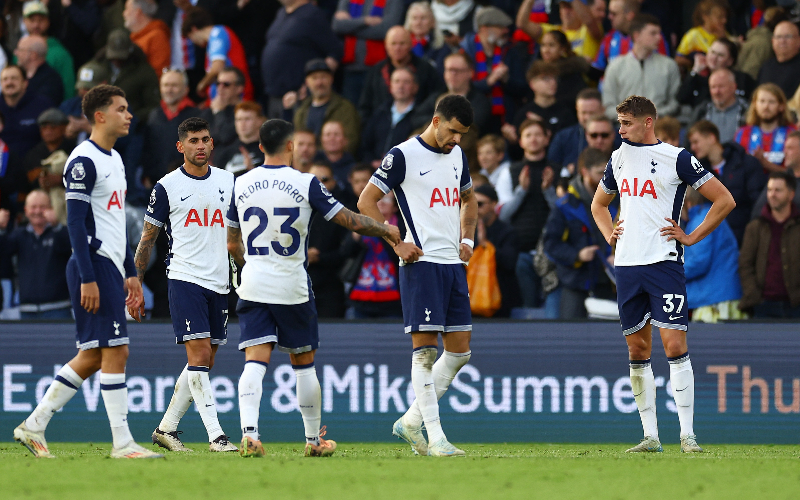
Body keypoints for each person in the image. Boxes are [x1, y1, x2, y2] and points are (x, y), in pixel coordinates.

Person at [226, 118, 400, 458]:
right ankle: (313, 441)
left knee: (254, 360)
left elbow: (232, 244)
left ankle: (249, 434)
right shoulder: (307, 183)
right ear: (291, 145)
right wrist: (384, 229)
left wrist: (253, 268)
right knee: (303, 362)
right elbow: (347, 219)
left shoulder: (239, 184)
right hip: (292, 286)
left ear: (260, 147)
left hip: (254, 284)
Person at [13, 84, 163, 459]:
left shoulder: (115, 159)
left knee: (96, 355)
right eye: (122, 108)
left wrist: (131, 272)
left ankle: (34, 424)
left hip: (110, 265)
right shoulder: (82, 161)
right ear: (100, 115)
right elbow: (76, 226)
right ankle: (122, 443)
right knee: (117, 350)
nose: (129, 115)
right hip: (92, 265)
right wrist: (88, 277)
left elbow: (114, 223)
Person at [591, 95, 735, 454]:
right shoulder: (618, 158)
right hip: (627, 266)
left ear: (648, 122)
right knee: (637, 348)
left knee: (675, 345)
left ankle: (687, 435)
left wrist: (691, 237)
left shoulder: (678, 158)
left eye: (626, 123)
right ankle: (650, 436)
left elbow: (724, 200)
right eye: (619, 122)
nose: (619, 129)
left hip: (664, 263)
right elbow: (598, 204)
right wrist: (608, 233)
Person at [358, 94, 476, 457]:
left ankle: (409, 421)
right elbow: (365, 202)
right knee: (424, 354)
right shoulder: (403, 155)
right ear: (437, 121)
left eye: (462, 135)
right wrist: (394, 242)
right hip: (420, 264)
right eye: (453, 131)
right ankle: (436, 437)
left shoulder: (457, 155)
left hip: (452, 266)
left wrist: (468, 237)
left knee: (459, 353)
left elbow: (468, 199)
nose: (457, 140)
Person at [133, 116, 238, 453]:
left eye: (205, 139)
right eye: (193, 140)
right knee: (200, 354)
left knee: (204, 362)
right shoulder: (166, 187)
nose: (201, 146)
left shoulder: (229, 181)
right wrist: (136, 283)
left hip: (221, 281)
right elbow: (147, 241)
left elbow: (238, 234)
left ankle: (167, 429)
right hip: (184, 277)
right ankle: (217, 437)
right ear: (180, 146)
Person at [544, 148, 616, 319]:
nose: (605, 179)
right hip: (576, 283)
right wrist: (577, 255)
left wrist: (617, 254)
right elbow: (551, 245)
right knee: (570, 338)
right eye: (600, 173)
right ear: (585, 172)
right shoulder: (565, 206)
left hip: (610, 283)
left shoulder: (617, 202)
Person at [499, 119, 556, 308]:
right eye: (528, 135)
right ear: (521, 141)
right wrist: (521, 191)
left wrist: (548, 191)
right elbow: (503, 215)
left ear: (546, 139)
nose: (533, 139)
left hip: (553, 252)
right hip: (521, 252)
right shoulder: (509, 171)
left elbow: (565, 213)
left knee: (553, 313)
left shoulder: (558, 170)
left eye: (538, 134)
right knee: (528, 309)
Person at [688, 120, 765, 246]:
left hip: (744, 239)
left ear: (711, 138)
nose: (693, 147)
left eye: (696, 142)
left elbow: (758, 204)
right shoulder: (699, 172)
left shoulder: (746, 163)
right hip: (714, 243)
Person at [261, 0, 342, 119]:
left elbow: (335, 51)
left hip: (298, 97)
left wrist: (312, 85)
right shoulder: (281, 13)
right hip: (274, 94)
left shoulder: (312, 14)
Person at [0, 190, 72, 318]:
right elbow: (3, 252)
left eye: (42, 207)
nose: (37, 211)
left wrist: (57, 226)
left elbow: (71, 248)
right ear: (26, 210)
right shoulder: (19, 235)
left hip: (58, 308)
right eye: (33, 207)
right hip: (27, 310)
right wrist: (1, 230)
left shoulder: (60, 232)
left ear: (51, 209)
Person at [738, 171, 800, 318]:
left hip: (796, 306)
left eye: (778, 190)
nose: (772, 194)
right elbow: (745, 265)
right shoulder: (755, 227)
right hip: (763, 306)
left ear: (791, 194)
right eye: (770, 190)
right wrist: (754, 296)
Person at [681, 187, 744, 323]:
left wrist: (670, 273)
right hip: (723, 294)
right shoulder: (710, 216)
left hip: (713, 301)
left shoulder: (700, 221)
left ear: (687, 202)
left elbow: (699, 262)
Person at [602, 14, 680, 120]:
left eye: (659, 33)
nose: (659, 37)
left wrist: (655, 114)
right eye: (653, 33)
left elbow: (675, 102)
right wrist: (629, 116)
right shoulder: (615, 67)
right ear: (636, 36)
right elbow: (608, 106)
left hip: (659, 127)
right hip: (625, 130)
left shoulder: (669, 66)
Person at [359, 26, 443, 124]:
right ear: (386, 46)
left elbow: (436, 97)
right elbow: (365, 105)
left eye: (402, 43)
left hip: (416, 126)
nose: (397, 48)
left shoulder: (426, 69)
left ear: (411, 44)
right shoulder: (376, 71)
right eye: (393, 44)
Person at [181, 6, 254, 102]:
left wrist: (202, 85)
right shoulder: (213, 41)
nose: (194, 42)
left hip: (237, 97)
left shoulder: (217, 34)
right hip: (227, 99)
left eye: (191, 38)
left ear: (194, 29)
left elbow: (217, 67)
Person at [289, 59, 360, 155]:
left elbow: (350, 142)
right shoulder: (301, 111)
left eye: (323, 77)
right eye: (314, 78)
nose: (319, 83)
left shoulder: (345, 108)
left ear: (331, 79)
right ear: (307, 82)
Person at [144, 68, 201, 184]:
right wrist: (146, 175)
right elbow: (147, 148)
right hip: (157, 183)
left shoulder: (197, 116)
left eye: (174, 85)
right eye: (165, 85)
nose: (169, 90)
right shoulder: (154, 115)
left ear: (186, 89)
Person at [473, 182, 520, 317]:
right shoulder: (466, 232)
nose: (475, 208)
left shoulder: (508, 232)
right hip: (472, 300)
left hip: (500, 302)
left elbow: (509, 262)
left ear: (494, 204)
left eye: (480, 204)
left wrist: (485, 245)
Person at [361, 66, 418, 167]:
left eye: (406, 82)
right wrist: (372, 162)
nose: (401, 86)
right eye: (397, 81)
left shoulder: (420, 115)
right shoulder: (380, 113)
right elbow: (365, 145)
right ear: (390, 86)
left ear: (415, 87)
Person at [734, 83, 796, 173]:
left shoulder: (792, 133)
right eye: (762, 101)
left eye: (771, 102)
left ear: (781, 106)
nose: (766, 106)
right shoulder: (742, 133)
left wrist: (765, 163)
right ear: (755, 104)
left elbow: (796, 174)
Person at [677, 38, 756, 110]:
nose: (714, 58)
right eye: (712, 52)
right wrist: (695, 70)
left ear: (730, 61)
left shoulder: (742, 79)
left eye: (720, 55)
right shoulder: (698, 78)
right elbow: (681, 99)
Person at [20, 1, 75, 100]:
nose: (36, 25)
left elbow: (69, 90)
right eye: (32, 20)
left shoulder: (60, 54)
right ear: (24, 21)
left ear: (48, 21)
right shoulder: (18, 51)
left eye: (41, 20)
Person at [516, 0, 603, 61]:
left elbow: (589, 21)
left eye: (570, 7)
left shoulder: (588, 29)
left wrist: (575, 1)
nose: (566, 11)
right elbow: (522, 24)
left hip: (585, 84)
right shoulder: (552, 32)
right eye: (563, 7)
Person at [0, 65, 53, 158]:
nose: (9, 82)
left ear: (25, 83)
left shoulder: (42, 105)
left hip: (34, 164)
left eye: (14, 78)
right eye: (5, 79)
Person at [548, 88, 607, 171]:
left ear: (602, 110)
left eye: (591, 113)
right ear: (577, 111)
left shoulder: (619, 136)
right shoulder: (563, 137)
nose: (587, 117)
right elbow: (551, 167)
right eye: (583, 113)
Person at [691, 68, 749, 144]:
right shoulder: (701, 111)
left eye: (721, 86)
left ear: (734, 87)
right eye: (713, 87)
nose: (716, 92)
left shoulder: (747, 111)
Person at [751, 131, 800, 217]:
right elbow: (758, 213)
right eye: (785, 148)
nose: (785, 152)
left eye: (790, 148)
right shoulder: (781, 179)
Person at [674, 0, 729, 72]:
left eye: (725, 17)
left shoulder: (724, 34)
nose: (724, 20)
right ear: (705, 17)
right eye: (720, 17)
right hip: (700, 77)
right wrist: (696, 62)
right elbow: (678, 59)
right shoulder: (694, 34)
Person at [213, 101, 265, 176]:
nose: (242, 124)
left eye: (247, 119)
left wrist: (252, 171)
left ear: (260, 121)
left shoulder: (268, 152)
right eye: (239, 119)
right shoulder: (225, 153)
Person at [199, 66, 245, 150]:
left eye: (226, 85)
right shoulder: (208, 112)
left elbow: (225, 136)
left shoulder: (246, 112)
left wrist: (218, 112)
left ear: (239, 88)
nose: (220, 88)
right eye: (218, 83)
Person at [123, 0, 171, 75]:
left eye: (126, 9)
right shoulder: (134, 37)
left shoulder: (157, 37)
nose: (124, 14)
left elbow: (160, 72)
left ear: (137, 12)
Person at [14, 34, 63, 106]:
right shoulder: (22, 75)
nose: (16, 53)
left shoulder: (50, 80)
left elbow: (41, 105)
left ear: (33, 55)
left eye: (20, 50)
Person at [757, 20, 800, 101]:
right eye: (778, 37)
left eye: (788, 36)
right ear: (772, 41)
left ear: (798, 41)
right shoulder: (766, 66)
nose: (782, 41)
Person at [315, 121, 356, 188]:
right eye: (328, 135)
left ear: (345, 140)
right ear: (321, 140)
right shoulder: (312, 163)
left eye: (336, 134)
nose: (332, 138)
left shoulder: (353, 168)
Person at [476, 133, 512, 205]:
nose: (483, 158)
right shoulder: (480, 175)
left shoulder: (509, 173)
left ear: (500, 155)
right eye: (480, 153)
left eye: (488, 153)